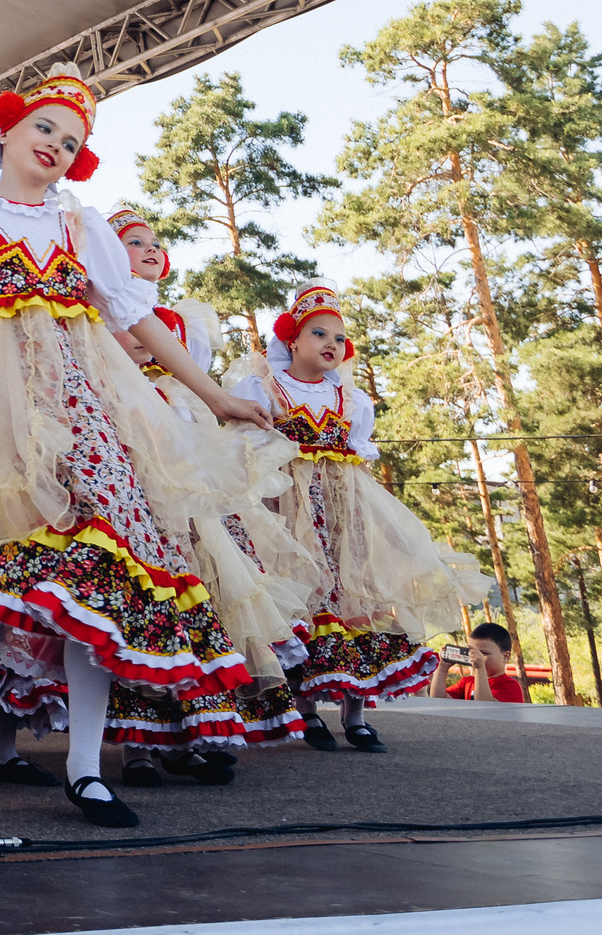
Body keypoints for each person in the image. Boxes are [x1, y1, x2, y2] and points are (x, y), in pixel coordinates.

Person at [0, 71, 275, 828]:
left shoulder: (83, 227)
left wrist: (215, 396)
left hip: (82, 415)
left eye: (72, 143)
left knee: (99, 570)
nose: (57, 147)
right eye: (46, 128)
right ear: (6, 128)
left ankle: (85, 768)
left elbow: (138, 319)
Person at [96, 206, 316, 787]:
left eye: (154, 242)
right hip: (127, 487)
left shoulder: (181, 331)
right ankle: (136, 747)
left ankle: (190, 735)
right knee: (141, 605)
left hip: (183, 494)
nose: (150, 249)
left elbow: (196, 405)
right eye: (134, 242)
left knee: (200, 602)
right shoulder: (91, 312)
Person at [229, 284, 487, 753]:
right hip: (289, 513)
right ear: (292, 340)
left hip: (344, 514)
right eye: (319, 333)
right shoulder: (264, 388)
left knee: (358, 599)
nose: (331, 343)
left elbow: (359, 464)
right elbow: (250, 452)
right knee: (304, 601)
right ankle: (307, 710)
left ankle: (356, 714)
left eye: (339, 338)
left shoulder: (350, 399)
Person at [444, 623, 529, 702]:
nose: (477, 657)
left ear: (505, 657)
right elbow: (440, 699)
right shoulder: (467, 682)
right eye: (472, 652)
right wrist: (442, 669)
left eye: (483, 653)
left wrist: (480, 668)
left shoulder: (511, 686)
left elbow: (485, 705)